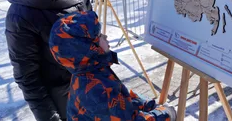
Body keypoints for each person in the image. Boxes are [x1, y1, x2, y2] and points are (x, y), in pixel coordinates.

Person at [5, 0, 92, 121]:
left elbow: (87, 18)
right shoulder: (21, 15)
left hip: (89, 84)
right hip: (62, 97)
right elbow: (28, 78)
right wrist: (50, 117)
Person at [49, 11, 177, 121]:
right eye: (99, 36)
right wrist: (165, 114)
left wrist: (147, 104)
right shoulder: (98, 90)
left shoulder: (91, 72)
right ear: (89, 49)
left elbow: (122, 97)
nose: (105, 36)